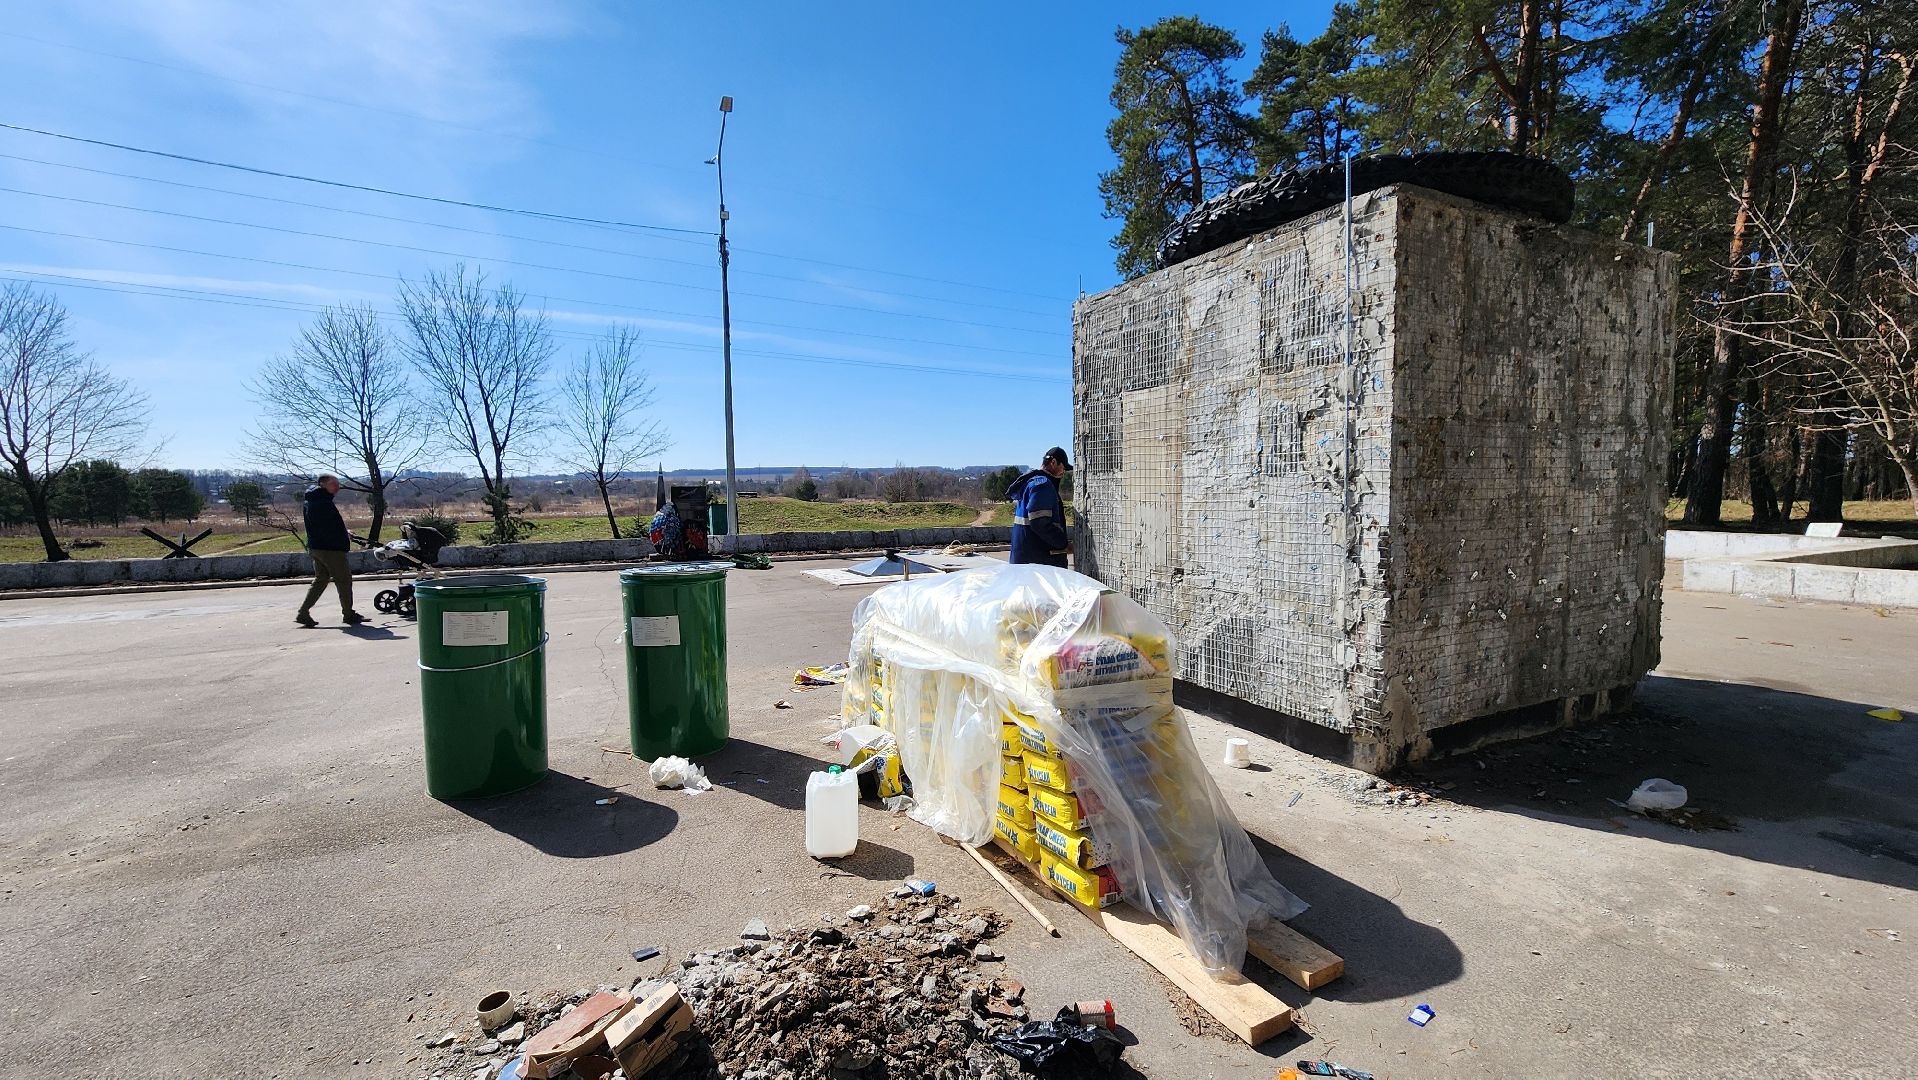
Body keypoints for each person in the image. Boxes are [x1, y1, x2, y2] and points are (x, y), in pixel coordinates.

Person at [295, 474, 367, 627]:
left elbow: (326, 525)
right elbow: (327, 528)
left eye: (337, 483)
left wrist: (344, 531)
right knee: (344, 580)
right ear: (322, 484)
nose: (337, 486)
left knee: (321, 579)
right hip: (330, 548)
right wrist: (342, 535)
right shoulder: (321, 502)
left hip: (317, 546)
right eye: (333, 484)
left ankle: (303, 612)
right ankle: (348, 614)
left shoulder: (314, 499)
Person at [1004, 446, 1072, 568]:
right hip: (1039, 563)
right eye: (1063, 467)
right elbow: (1039, 523)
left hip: (1025, 560)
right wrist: (1062, 544)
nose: (1063, 472)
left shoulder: (1031, 483)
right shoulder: (1042, 485)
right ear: (1053, 463)